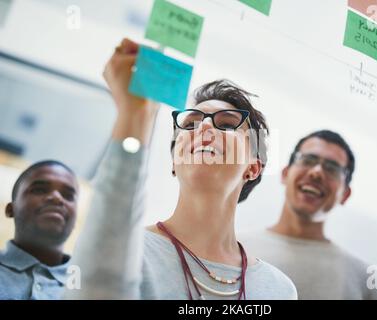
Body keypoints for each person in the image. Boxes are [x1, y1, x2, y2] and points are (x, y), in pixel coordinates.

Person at [65, 38, 297, 300]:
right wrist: (134, 117)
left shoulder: (278, 290)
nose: (204, 128)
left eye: (228, 123)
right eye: (191, 124)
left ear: (253, 168)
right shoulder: (129, 251)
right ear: (175, 161)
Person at [240, 130, 377, 299]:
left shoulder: (368, 280)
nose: (317, 172)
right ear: (285, 174)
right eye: (308, 160)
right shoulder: (236, 249)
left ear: (345, 194)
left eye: (332, 168)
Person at [0, 160, 78, 299]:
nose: (57, 198)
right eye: (39, 190)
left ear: (75, 220)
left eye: (68, 195)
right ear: (11, 209)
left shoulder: (94, 286)